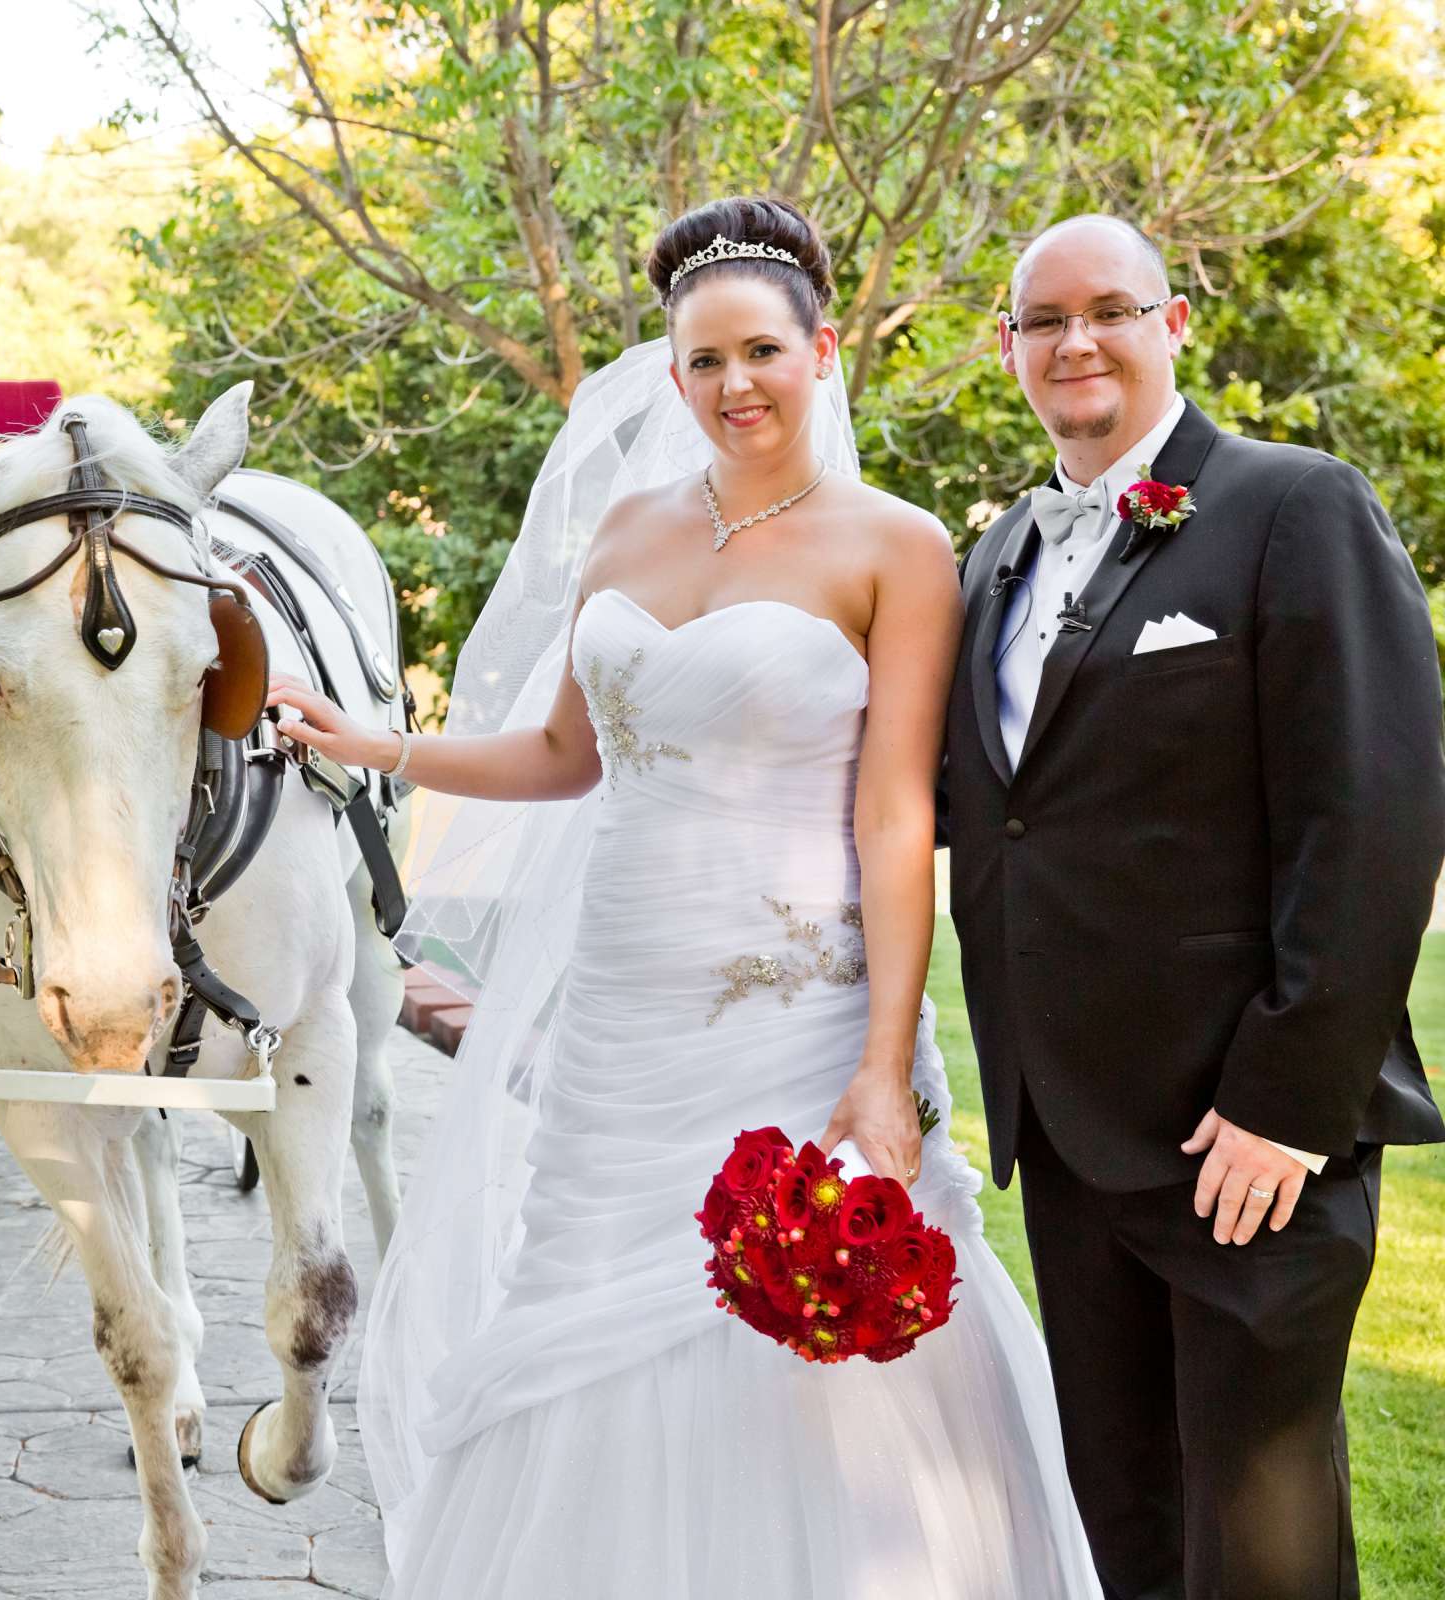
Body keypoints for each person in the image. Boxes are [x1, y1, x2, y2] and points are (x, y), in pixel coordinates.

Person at [279, 196, 1099, 1597]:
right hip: (619, 1012)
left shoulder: (893, 547)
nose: (737, 386)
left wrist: (885, 1067)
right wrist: (374, 744)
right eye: (706, 361)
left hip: (795, 1008)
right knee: (588, 1310)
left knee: (800, 1341)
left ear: (822, 351)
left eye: (763, 352)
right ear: (672, 376)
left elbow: (897, 814)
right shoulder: (627, 535)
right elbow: (558, 756)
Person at [942, 214, 1445, 1600]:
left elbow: (1375, 815)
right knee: (1130, 1525)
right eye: (1043, 320)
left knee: (1261, 1551)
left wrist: (1291, 1099)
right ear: (1009, 350)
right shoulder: (994, 561)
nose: (1075, 340)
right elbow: (1003, 815)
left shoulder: (1297, 505)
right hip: (1066, 1136)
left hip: (1247, 1142)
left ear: (1172, 326)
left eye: (1110, 309)